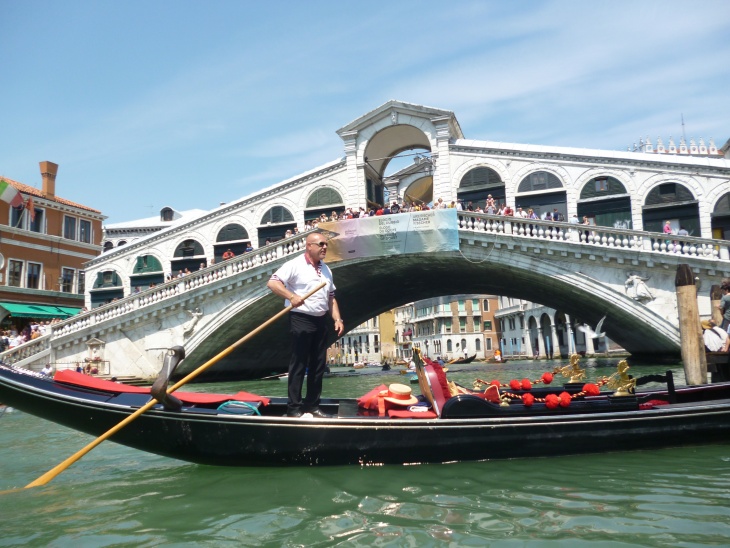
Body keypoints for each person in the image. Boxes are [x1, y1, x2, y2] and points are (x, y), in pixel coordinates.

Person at [267, 232, 344, 418]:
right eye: (320, 244)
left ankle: (312, 406)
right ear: (309, 246)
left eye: (326, 244)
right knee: (299, 364)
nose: (324, 247)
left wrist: (337, 319)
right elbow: (272, 283)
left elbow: (331, 298)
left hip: (320, 321)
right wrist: (291, 296)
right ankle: (294, 408)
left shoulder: (326, 270)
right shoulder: (294, 265)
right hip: (301, 319)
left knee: (318, 366)